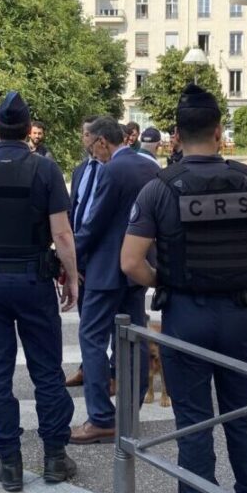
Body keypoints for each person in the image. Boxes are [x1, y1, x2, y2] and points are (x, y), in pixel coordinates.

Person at [121, 84, 247, 493]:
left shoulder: (160, 189)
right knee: (242, 418)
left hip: (185, 318)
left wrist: (168, 279)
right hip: (238, 315)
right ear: (218, 132)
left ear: (176, 135)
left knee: (193, 423)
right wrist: (245, 276)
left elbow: (130, 262)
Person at [0, 91, 80, 492]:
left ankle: (9, 462)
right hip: (34, 281)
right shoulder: (45, 171)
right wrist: (73, 278)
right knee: (46, 370)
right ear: (28, 130)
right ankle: (56, 457)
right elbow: (61, 233)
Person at [70, 117, 158, 445]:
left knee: (91, 338)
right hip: (136, 269)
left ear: (104, 143)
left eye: (93, 146)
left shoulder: (112, 170)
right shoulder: (148, 166)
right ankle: (130, 412)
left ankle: (101, 418)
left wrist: (71, 257)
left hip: (105, 270)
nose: (93, 152)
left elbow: (94, 223)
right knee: (132, 337)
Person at [65, 115, 101, 388]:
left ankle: (108, 372)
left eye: (87, 134)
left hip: (101, 254)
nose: (83, 139)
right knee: (85, 317)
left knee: (103, 321)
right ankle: (86, 368)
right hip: (80, 252)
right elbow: (73, 209)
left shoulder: (111, 169)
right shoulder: (80, 170)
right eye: (82, 133)